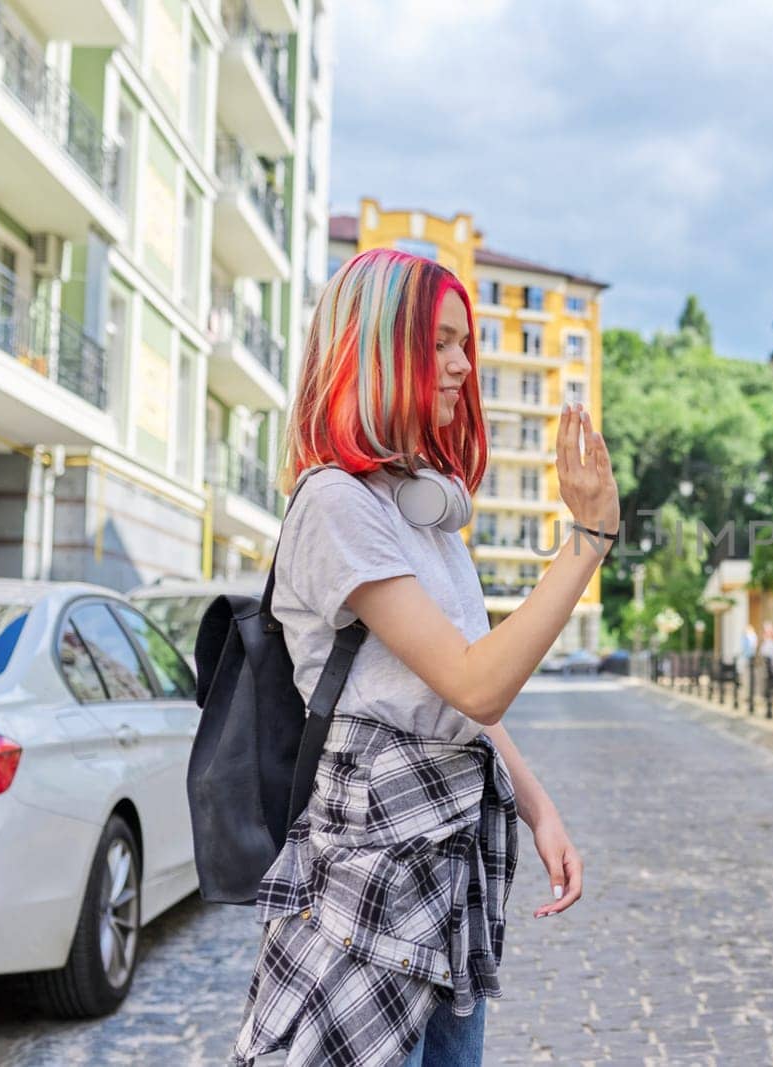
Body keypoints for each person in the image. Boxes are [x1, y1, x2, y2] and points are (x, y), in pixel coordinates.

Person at [230, 248, 620, 1067]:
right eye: (439, 341)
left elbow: (462, 700)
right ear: (377, 347)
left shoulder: (423, 510)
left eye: (464, 342)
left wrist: (539, 807)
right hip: (371, 855)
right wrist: (586, 543)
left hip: (447, 856)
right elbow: (478, 678)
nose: (461, 363)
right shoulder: (336, 501)